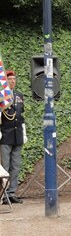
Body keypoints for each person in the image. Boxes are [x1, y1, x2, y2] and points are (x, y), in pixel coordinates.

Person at [0, 70, 25, 204]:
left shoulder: (19, 95)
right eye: (10, 79)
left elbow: (21, 116)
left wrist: (24, 132)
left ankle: (11, 193)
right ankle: (3, 195)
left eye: (14, 79)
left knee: (15, 166)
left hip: (17, 135)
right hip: (5, 135)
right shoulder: (2, 96)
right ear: (6, 81)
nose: (13, 81)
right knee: (5, 166)